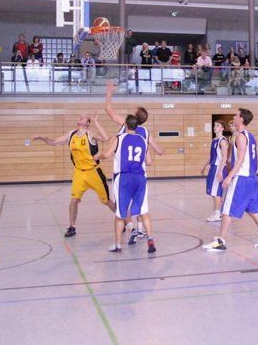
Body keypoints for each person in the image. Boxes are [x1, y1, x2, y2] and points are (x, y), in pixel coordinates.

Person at [202, 108, 258, 251]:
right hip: (252, 179)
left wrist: (229, 176)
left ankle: (220, 241)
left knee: (227, 209)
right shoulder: (250, 136)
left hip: (241, 178)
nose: (234, 117)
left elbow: (241, 160)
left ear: (241, 119)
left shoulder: (241, 137)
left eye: (236, 115)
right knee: (253, 209)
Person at [33, 114, 114, 237]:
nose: (80, 117)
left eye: (84, 117)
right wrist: (42, 138)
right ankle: (72, 227)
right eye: (80, 116)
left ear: (88, 123)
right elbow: (53, 142)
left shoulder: (90, 134)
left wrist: (96, 122)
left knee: (106, 201)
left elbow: (106, 138)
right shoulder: (71, 134)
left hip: (94, 172)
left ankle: (124, 219)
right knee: (74, 200)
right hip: (79, 172)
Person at [105, 81, 164, 251]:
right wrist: (159, 150)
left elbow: (108, 109)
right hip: (140, 174)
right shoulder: (145, 132)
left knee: (122, 205)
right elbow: (158, 152)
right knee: (141, 205)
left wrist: (109, 91)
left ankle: (129, 229)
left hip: (123, 173)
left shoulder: (125, 125)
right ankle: (140, 230)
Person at [96, 114, 148, 253]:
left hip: (124, 177)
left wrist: (98, 156)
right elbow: (148, 161)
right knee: (140, 209)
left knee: (120, 213)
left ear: (125, 125)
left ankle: (118, 244)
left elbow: (106, 155)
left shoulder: (119, 138)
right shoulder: (143, 140)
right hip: (139, 177)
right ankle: (143, 233)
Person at [201, 121, 230, 222]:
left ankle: (217, 214)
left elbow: (225, 157)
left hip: (219, 167)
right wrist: (204, 166)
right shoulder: (214, 140)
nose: (215, 127)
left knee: (216, 192)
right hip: (213, 167)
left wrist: (220, 171)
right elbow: (211, 156)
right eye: (214, 125)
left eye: (217, 126)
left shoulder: (223, 141)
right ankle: (218, 212)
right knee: (214, 192)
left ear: (222, 128)